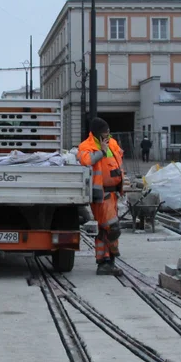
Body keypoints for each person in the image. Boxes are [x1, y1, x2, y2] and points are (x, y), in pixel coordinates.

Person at [77, 117, 125, 275]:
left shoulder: (112, 143)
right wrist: (101, 152)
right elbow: (86, 161)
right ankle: (108, 258)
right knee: (112, 228)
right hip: (101, 194)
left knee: (106, 229)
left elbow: (117, 160)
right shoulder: (87, 146)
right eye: (105, 133)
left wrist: (121, 182)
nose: (108, 136)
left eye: (109, 132)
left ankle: (106, 262)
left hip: (113, 193)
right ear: (96, 134)